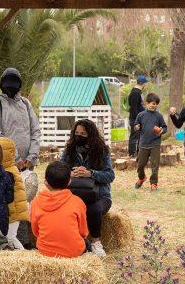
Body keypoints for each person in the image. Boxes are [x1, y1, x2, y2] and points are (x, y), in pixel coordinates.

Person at [61, 119, 115, 257]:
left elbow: (110, 175)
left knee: (94, 210)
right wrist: (69, 174)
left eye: (83, 133)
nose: (79, 136)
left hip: (100, 196)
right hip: (75, 194)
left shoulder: (102, 150)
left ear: (91, 134)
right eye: (77, 133)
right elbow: (59, 171)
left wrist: (90, 173)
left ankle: (96, 242)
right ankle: (77, 243)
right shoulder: (69, 151)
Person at [0, 68, 41, 172]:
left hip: (28, 165)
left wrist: (31, 157)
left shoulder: (25, 103)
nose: (11, 87)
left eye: (14, 83)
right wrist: (15, 159)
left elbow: (35, 131)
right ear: (2, 84)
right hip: (6, 164)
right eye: (8, 83)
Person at [31, 161, 89, 258]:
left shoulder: (35, 202)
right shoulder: (78, 202)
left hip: (45, 251)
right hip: (73, 251)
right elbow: (83, 232)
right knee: (87, 244)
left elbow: (35, 231)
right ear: (69, 181)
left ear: (46, 182)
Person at [0, 137, 29, 250]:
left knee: (10, 238)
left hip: (13, 212)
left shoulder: (8, 172)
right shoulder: (10, 169)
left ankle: (22, 256)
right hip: (13, 211)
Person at [134, 93, 168, 191]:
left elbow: (165, 127)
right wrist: (136, 127)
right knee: (140, 165)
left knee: (154, 166)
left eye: (155, 104)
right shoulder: (141, 115)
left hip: (155, 144)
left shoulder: (159, 116)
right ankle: (141, 178)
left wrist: (162, 130)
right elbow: (136, 125)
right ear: (146, 103)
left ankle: (154, 183)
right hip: (143, 143)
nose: (153, 105)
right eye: (151, 103)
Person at [128, 75, 148, 157]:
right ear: (141, 83)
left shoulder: (138, 92)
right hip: (135, 119)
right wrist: (137, 120)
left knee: (139, 136)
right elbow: (134, 107)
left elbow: (138, 105)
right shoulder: (135, 93)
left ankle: (139, 152)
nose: (146, 84)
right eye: (145, 83)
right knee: (134, 136)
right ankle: (132, 153)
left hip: (138, 118)